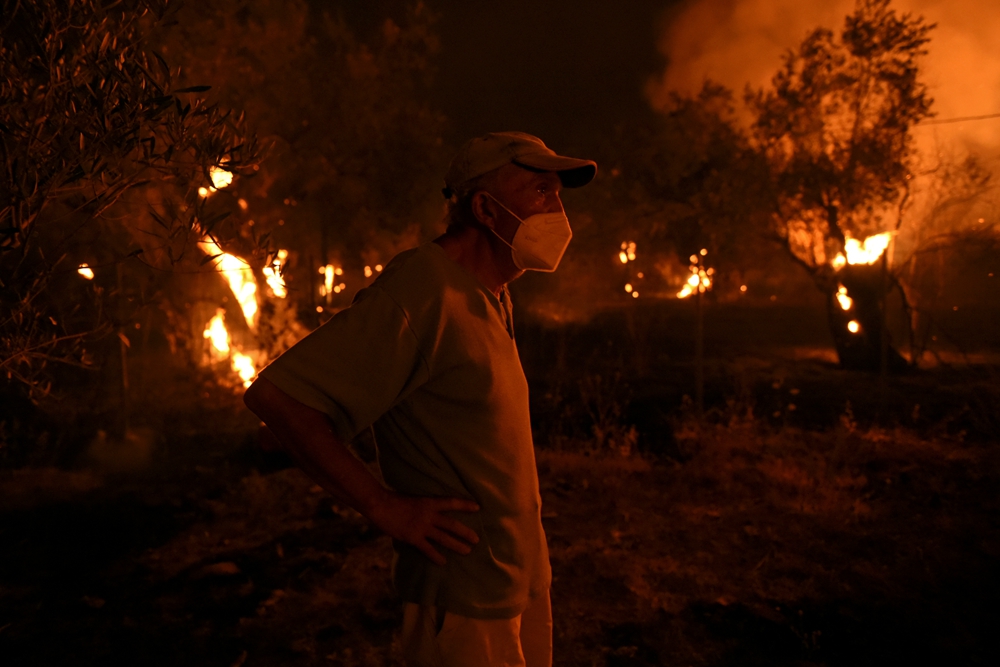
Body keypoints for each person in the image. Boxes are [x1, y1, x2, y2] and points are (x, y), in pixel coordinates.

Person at [243, 131, 596, 666]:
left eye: (559, 194)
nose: (558, 210)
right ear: (486, 209)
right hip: (463, 604)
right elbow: (280, 398)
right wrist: (383, 505)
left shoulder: (491, 292)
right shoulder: (422, 290)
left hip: (513, 587)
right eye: (541, 192)